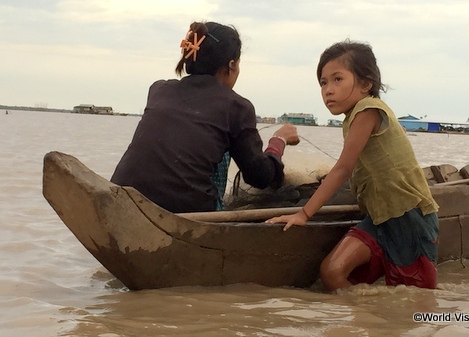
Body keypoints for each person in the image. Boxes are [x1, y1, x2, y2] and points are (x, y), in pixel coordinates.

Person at [266, 40, 439, 291]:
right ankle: (364, 318)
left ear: (366, 84)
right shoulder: (354, 117)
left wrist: (304, 213)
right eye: (323, 83)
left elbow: (343, 168)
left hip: (409, 218)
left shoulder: (368, 109)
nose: (328, 90)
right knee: (332, 271)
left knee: (417, 297)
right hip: (379, 219)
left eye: (337, 79)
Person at [111, 21, 299, 213]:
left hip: (121, 199)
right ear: (231, 65)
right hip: (186, 212)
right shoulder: (237, 107)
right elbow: (259, 177)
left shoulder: (159, 90)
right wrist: (278, 141)